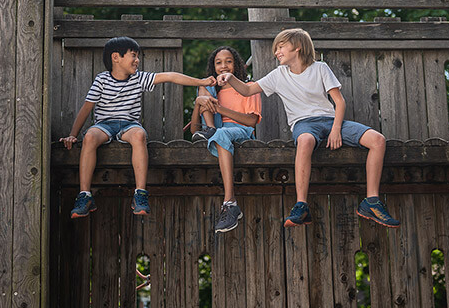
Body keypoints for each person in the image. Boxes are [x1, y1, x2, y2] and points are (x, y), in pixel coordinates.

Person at [217, 28, 400, 228]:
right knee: (305, 140)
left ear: (297, 47)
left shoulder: (320, 68)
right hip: (303, 124)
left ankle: (371, 201)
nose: (276, 52)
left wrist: (336, 129)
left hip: (331, 121)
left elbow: (339, 102)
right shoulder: (279, 75)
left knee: (378, 140)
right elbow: (248, 89)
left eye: (280, 47)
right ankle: (301, 204)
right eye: (275, 48)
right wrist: (230, 78)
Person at [60, 36, 215, 218]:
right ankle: (85, 195)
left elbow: (171, 76)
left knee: (139, 135)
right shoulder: (101, 80)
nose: (137, 60)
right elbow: (86, 109)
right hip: (104, 125)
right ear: (116, 57)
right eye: (133, 55)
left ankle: (140, 194)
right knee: (90, 137)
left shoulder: (139, 78)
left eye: (137, 56)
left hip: (129, 125)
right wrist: (72, 134)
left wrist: (202, 82)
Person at [186, 46, 261, 233]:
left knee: (222, 134)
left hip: (241, 129)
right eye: (218, 62)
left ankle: (230, 201)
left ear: (236, 65)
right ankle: (210, 129)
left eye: (228, 61)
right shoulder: (212, 91)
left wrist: (219, 109)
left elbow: (251, 121)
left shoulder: (249, 87)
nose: (223, 66)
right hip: (216, 128)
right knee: (204, 88)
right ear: (213, 66)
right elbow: (195, 131)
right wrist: (199, 103)